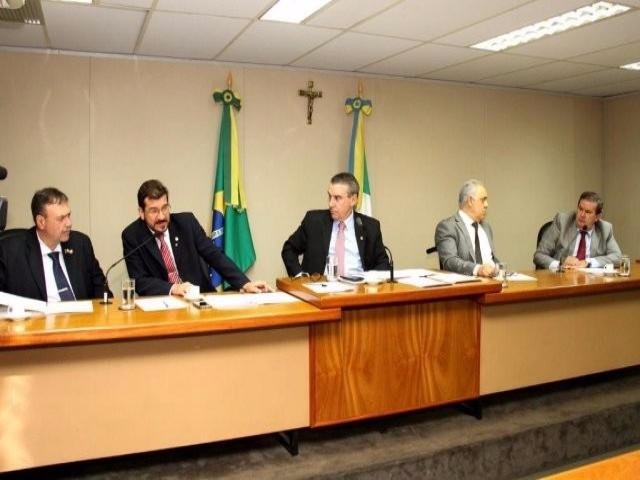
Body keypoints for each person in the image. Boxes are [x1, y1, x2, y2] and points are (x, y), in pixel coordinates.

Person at [122, 179, 271, 296]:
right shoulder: (132, 236)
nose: (161, 216)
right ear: (141, 212)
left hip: (200, 299)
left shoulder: (186, 223)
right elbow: (140, 281)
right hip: (161, 305)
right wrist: (174, 288)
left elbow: (215, 256)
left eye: (165, 208)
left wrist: (244, 283)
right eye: (154, 211)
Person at [0, 187, 109, 301]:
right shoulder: (9, 252)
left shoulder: (81, 244)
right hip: (38, 318)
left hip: (82, 318)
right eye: (61, 218)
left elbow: (103, 292)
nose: (69, 223)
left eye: (68, 215)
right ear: (41, 222)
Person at [281, 172, 389, 277]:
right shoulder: (314, 222)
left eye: (337, 198)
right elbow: (289, 249)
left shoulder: (370, 227)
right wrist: (299, 276)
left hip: (357, 290)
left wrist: (369, 282)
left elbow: (383, 264)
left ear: (353, 200)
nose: (331, 203)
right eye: (330, 197)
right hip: (319, 290)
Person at [533, 191, 621, 270]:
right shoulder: (562, 222)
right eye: (580, 209)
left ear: (597, 217)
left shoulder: (605, 229)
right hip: (561, 280)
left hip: (590, 283)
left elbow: (617, 257)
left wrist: (588, 262)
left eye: (588, 212)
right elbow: (539, 256)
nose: (582, 215)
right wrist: (560, 264)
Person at [435, 179, 498, 277]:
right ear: (470, 201)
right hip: (466, 288)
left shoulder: (486, 227)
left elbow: (492, 260)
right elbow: (450, 261)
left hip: (494, 285)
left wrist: (500, 269)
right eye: (483, 200)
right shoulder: (448, 227)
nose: (486, 205)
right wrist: (478, 269)